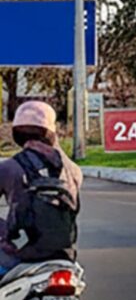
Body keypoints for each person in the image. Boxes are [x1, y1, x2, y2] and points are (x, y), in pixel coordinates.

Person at [0, 101, 83, 276]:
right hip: (64, 255)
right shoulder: (73, 170)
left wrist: (6, 230)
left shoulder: (9, 167)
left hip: (19, 253)